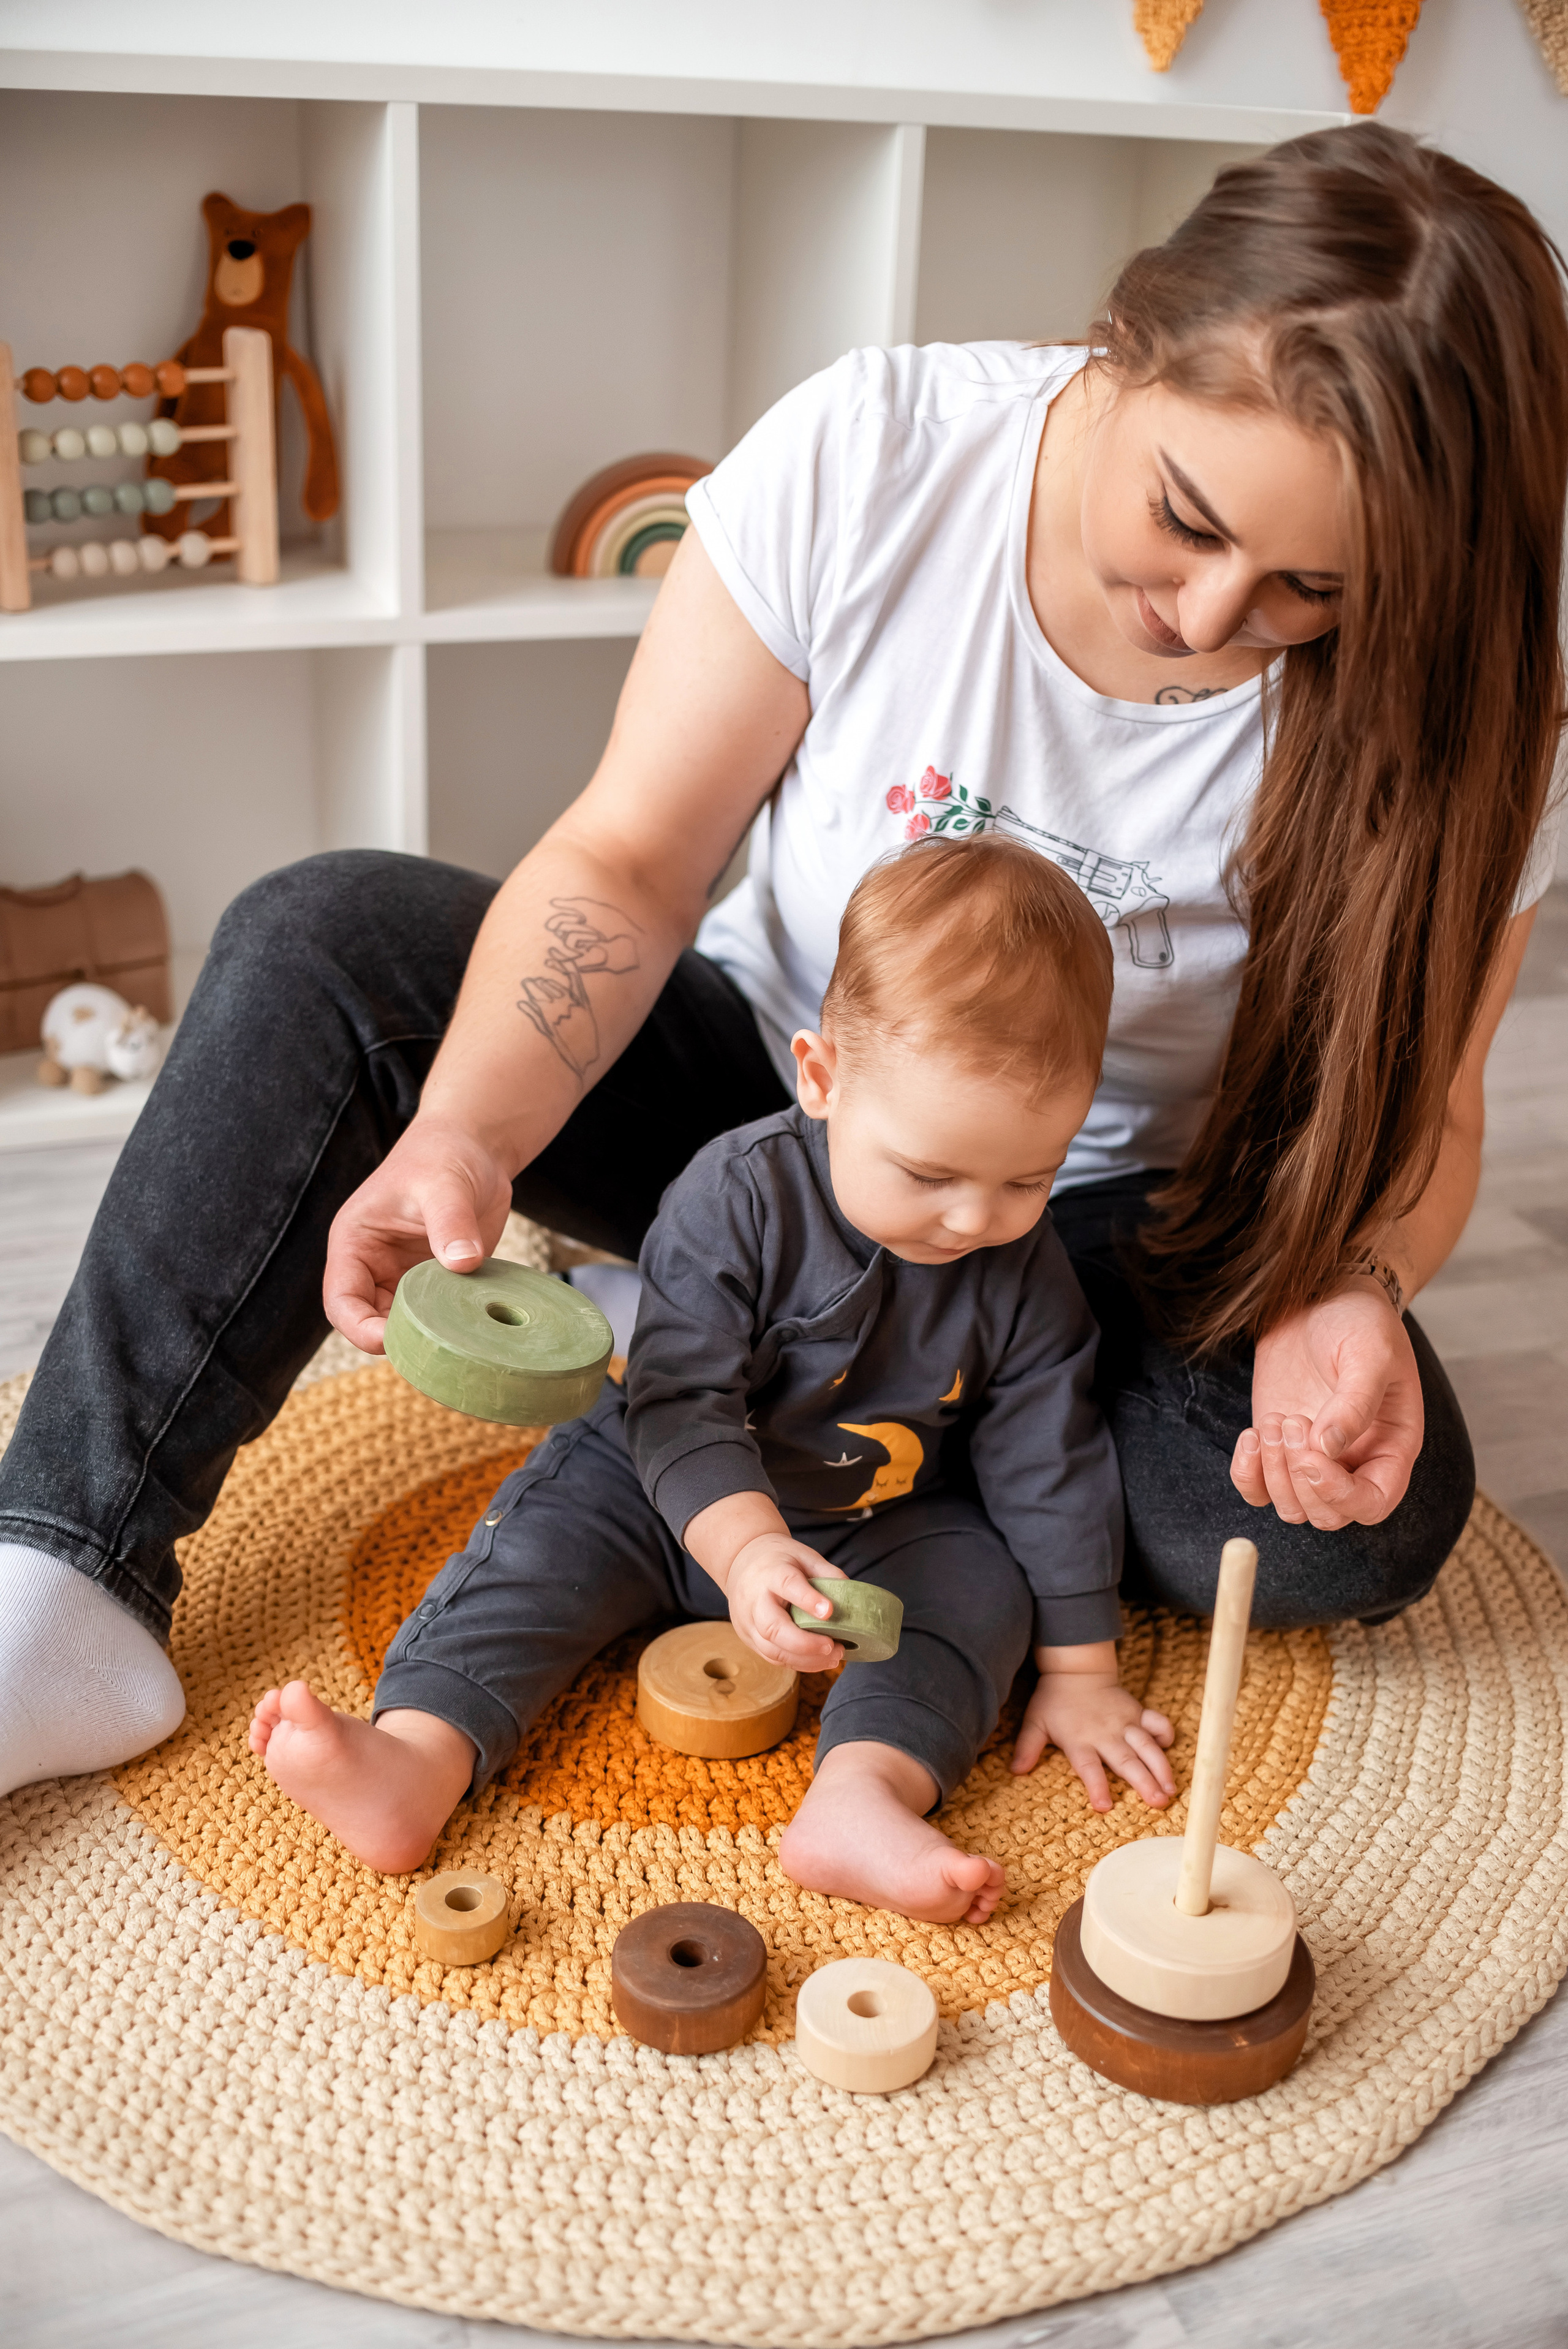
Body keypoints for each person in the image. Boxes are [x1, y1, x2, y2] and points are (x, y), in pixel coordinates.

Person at [1, 124, 1564, 1796]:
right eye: (1184, 520)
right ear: (1128, 339)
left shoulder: (1472, 697)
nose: (1206, 612)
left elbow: (1429, 1104)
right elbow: (630, 860)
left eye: (1306, 591)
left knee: (1348, 1528)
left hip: (1103, 1230)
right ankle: (65, 1581)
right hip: (780, 1113)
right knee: (319, 939)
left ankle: (800, 1365)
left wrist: (1353, 1283)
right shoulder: (877, 454)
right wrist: (468, 1127)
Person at [249, 839, 1177, 1923]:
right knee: (537, 1544)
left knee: (978, 1586)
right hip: (660, 1485)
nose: (976, 1218)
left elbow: (1050, 1460)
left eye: (1031, 1176)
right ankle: (417, 1754)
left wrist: (1082, 1671)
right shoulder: (734, 1197)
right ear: (821, 1077)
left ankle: (865, 1793)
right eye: (929, 1172)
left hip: (882, 1518)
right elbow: (681, 1399)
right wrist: (743, 1551)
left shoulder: (1027, 1271)